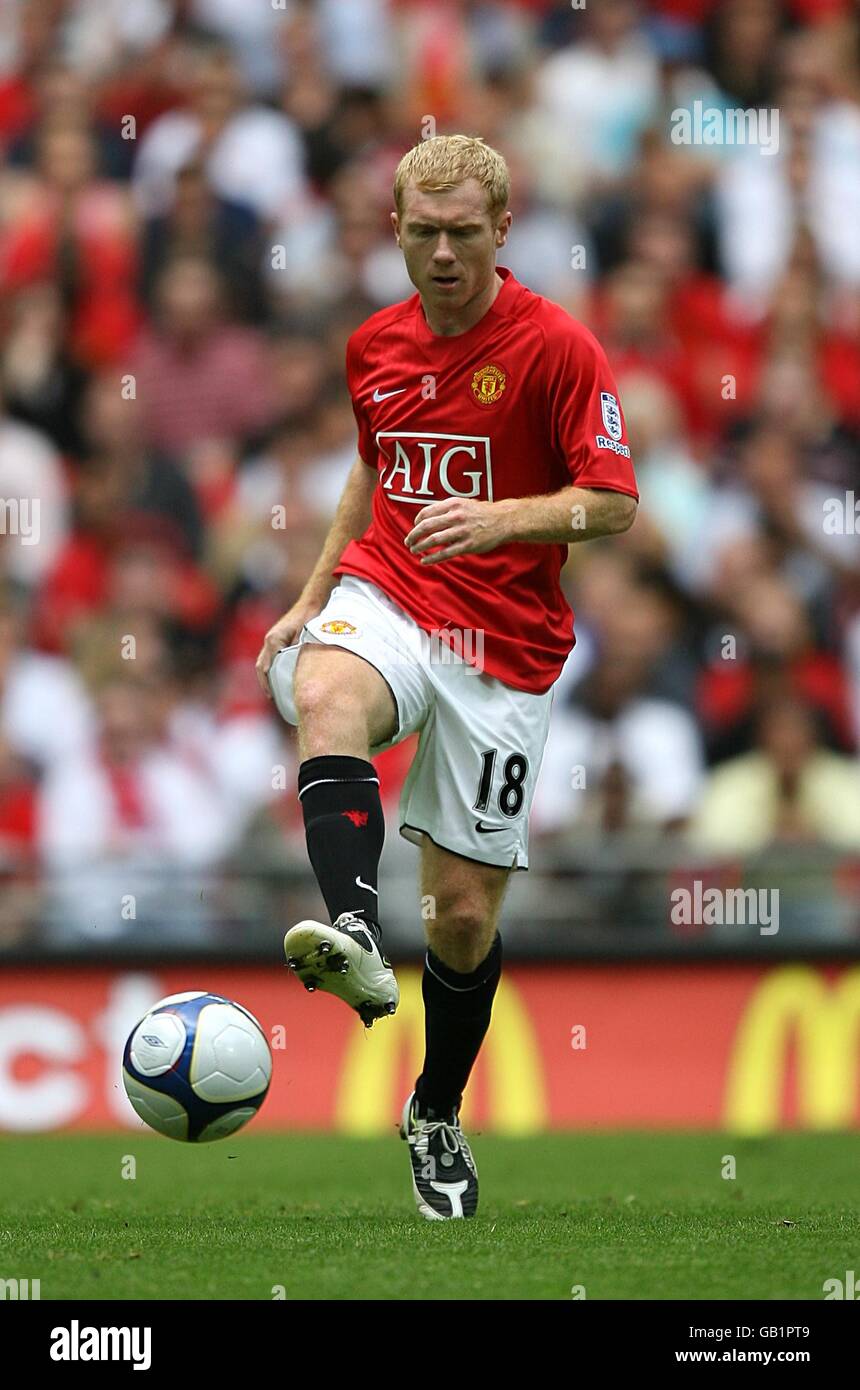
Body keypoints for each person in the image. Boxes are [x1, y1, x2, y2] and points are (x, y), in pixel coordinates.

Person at [255, 136, 638, 1220]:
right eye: (420, 233)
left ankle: (433, 1107)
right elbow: (374, 467)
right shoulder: (372, 342)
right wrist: (311, 590)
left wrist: (503, 517)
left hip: (503, 648)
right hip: (390, 594)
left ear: (501, 229)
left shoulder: (557, 348)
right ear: (395, 231)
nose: (439, 254)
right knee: (323, 689)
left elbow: (610, 501)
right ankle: (356, 932)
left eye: (461, 233)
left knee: (463, 913)